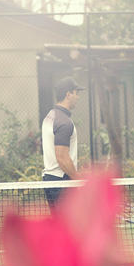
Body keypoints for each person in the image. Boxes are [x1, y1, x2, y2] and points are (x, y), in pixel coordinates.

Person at [42, 77, 85, 211]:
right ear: (68, 94)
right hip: (61, 183)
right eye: (76, 93)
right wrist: (79, 180)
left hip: (51, 180)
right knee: (70, 229)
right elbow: (62, 158)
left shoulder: (50, 115)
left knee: (60, 229)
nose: (78, 97)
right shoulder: (64, 122)